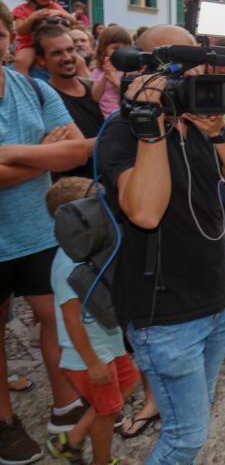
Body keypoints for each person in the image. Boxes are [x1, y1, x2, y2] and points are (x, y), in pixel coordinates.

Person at [96, 25, 225, 464]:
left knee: (192, 424)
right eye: (176, 66)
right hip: (165, 316)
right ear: (145, 70)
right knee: (184, 439)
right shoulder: (122, 131)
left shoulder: (204, 121)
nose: (190, 75)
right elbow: (146, 212)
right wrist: (151, 126)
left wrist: (219, 132)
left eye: (194, 63)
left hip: (216, 305)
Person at [0, 8, 89, 465]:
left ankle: (64, 405)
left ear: (9, 41)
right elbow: (59, 152)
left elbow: (76, 148)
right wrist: (44, 154)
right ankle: (5, 422)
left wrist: (12, 158)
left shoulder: (31, 87)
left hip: (36, 229)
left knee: (54, 316)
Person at [44, 178, 140, 465]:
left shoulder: (92, 249)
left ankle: (72, 440)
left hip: (107, 343)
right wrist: (93, 362)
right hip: (89, 355)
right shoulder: (68, 265)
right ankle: (102, 460)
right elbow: (71, 321)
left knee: (129, 382)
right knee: (107, 410)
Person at [32, 25, 102, 179]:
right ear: (41, 60)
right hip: (78, 192)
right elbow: (72, 151)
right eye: (57, 53)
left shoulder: (94, 88)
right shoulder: (43, 101)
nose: (67, 57)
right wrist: (118, 135)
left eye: (70, 50)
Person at [11, 0, 76, 76]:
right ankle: (24, 86)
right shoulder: (21, 10)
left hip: (54, 43)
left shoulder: (54, 7)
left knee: (78, 60)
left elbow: (73, 21)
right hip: (30, 44)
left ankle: (84, 85)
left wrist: (60, 13)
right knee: (21, 61)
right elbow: (20, 31)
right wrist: (31, 19)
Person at [90, 26, 132, 119]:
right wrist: (105, 76)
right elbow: (96, 97)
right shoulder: (98, 70)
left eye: (125, 48)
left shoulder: (129, 71)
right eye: (115, 48)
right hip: (106, 118)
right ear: (104, 49)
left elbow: (130, 96)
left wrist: (115, 81)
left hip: (124, 117)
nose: (120, 52)